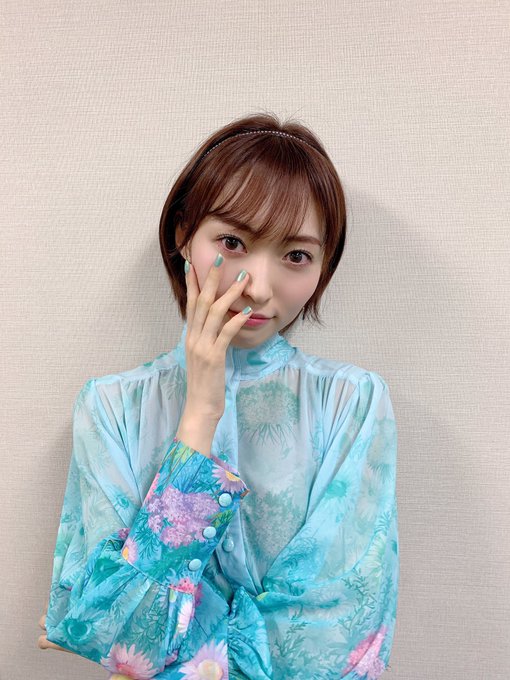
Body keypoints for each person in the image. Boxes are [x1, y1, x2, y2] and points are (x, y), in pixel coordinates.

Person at [38, 113, 399, 679]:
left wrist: (151, 640)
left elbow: (336, 643)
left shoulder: (351, 405)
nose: (258, 287)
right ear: (184, 235)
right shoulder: (110, 409)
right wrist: (199, 415)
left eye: (296, 256)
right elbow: (126, 636)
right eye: (233, 242)